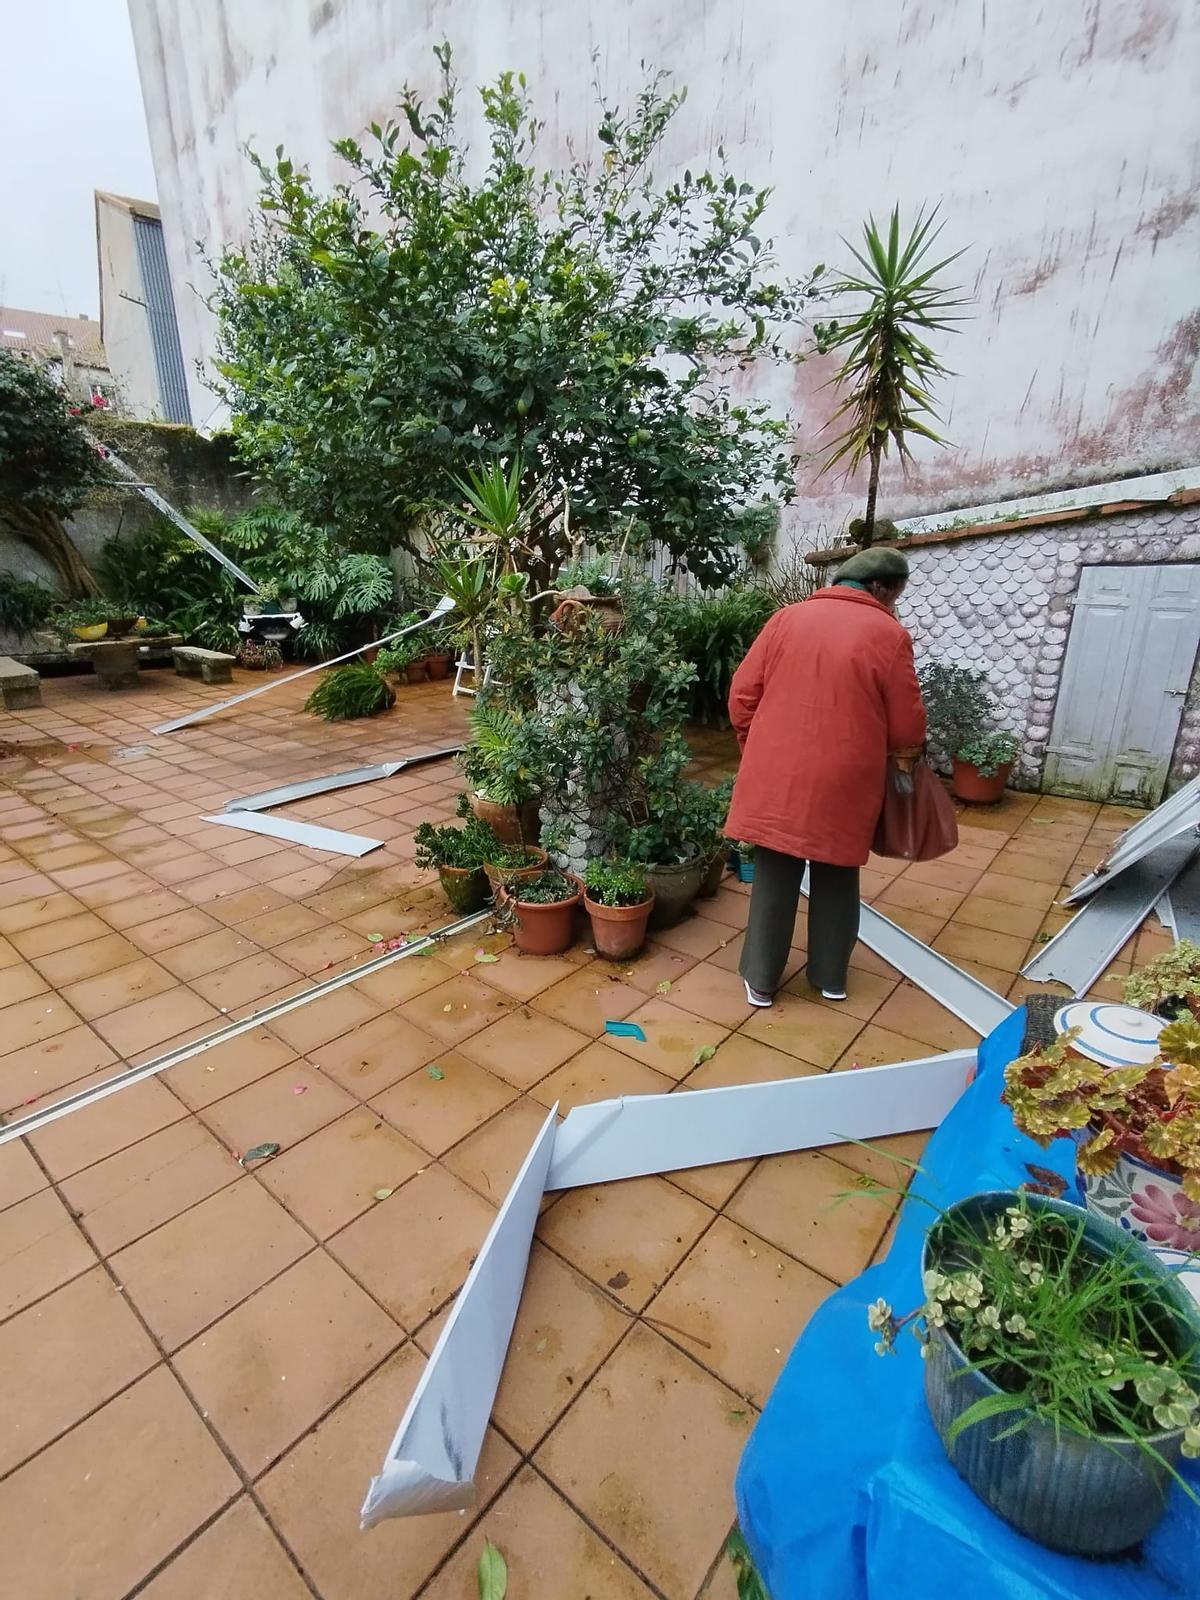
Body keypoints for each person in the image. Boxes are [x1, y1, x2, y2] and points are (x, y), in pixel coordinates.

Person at [725, 546, 927, 1007]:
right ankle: (830, 977)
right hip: (847, 776)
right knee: (837, 872)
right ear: (881, 588)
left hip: (778, 769)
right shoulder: (890, 634)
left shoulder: (785, 620)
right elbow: (907, 725)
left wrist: (755, 747)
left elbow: (742, 696)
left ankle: (761, 981)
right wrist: (904, 759)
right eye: (895, 594)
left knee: (775, 871)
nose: (894, 604)